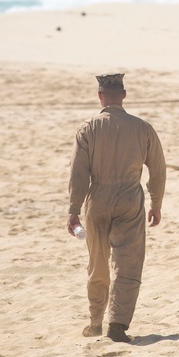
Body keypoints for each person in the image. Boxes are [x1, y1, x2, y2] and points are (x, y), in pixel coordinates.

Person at [67, 73, 167, 343]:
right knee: (128, 263)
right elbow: (157, 169)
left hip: (97, 198)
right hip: (129, 198)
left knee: (97, 263)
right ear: (123, 95)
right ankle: (118, 325)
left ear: (99, 96)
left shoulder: (87, 128)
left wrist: (73, 209)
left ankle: (96, 321)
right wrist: (156, 203)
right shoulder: (142, 128)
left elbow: (78, 172)